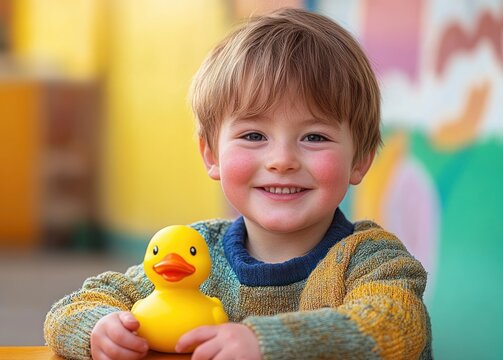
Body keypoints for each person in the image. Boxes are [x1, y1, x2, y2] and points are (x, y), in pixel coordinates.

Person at [44, 7, 432, 360]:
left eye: (314, 137)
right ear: (211, 154)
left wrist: (266, 343)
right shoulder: (194, 256)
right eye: (253, 136)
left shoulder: (372, 260)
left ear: (360, 159)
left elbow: (395, 326)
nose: (281, 160)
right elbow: (71, 308)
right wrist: (101, 328)